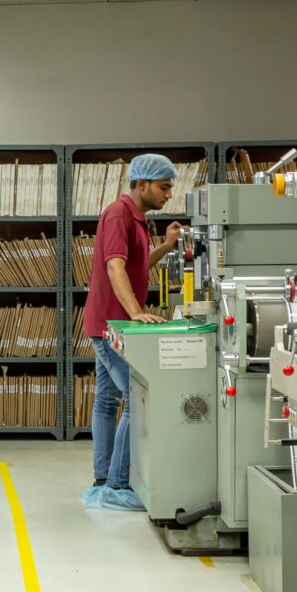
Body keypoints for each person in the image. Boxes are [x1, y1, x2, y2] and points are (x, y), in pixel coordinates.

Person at [80, 154, 181, 512]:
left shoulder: (137, 220)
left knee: (107, 401)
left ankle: (103, 479)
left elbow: (136, 266)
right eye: (164, 187)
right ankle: (118, 484)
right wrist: (136, 312)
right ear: (142, 184)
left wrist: (165, 248)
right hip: (111, 325)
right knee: (136, 402)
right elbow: (115, 267)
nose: (169, 194)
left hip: (111, 323)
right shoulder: (119, 214)